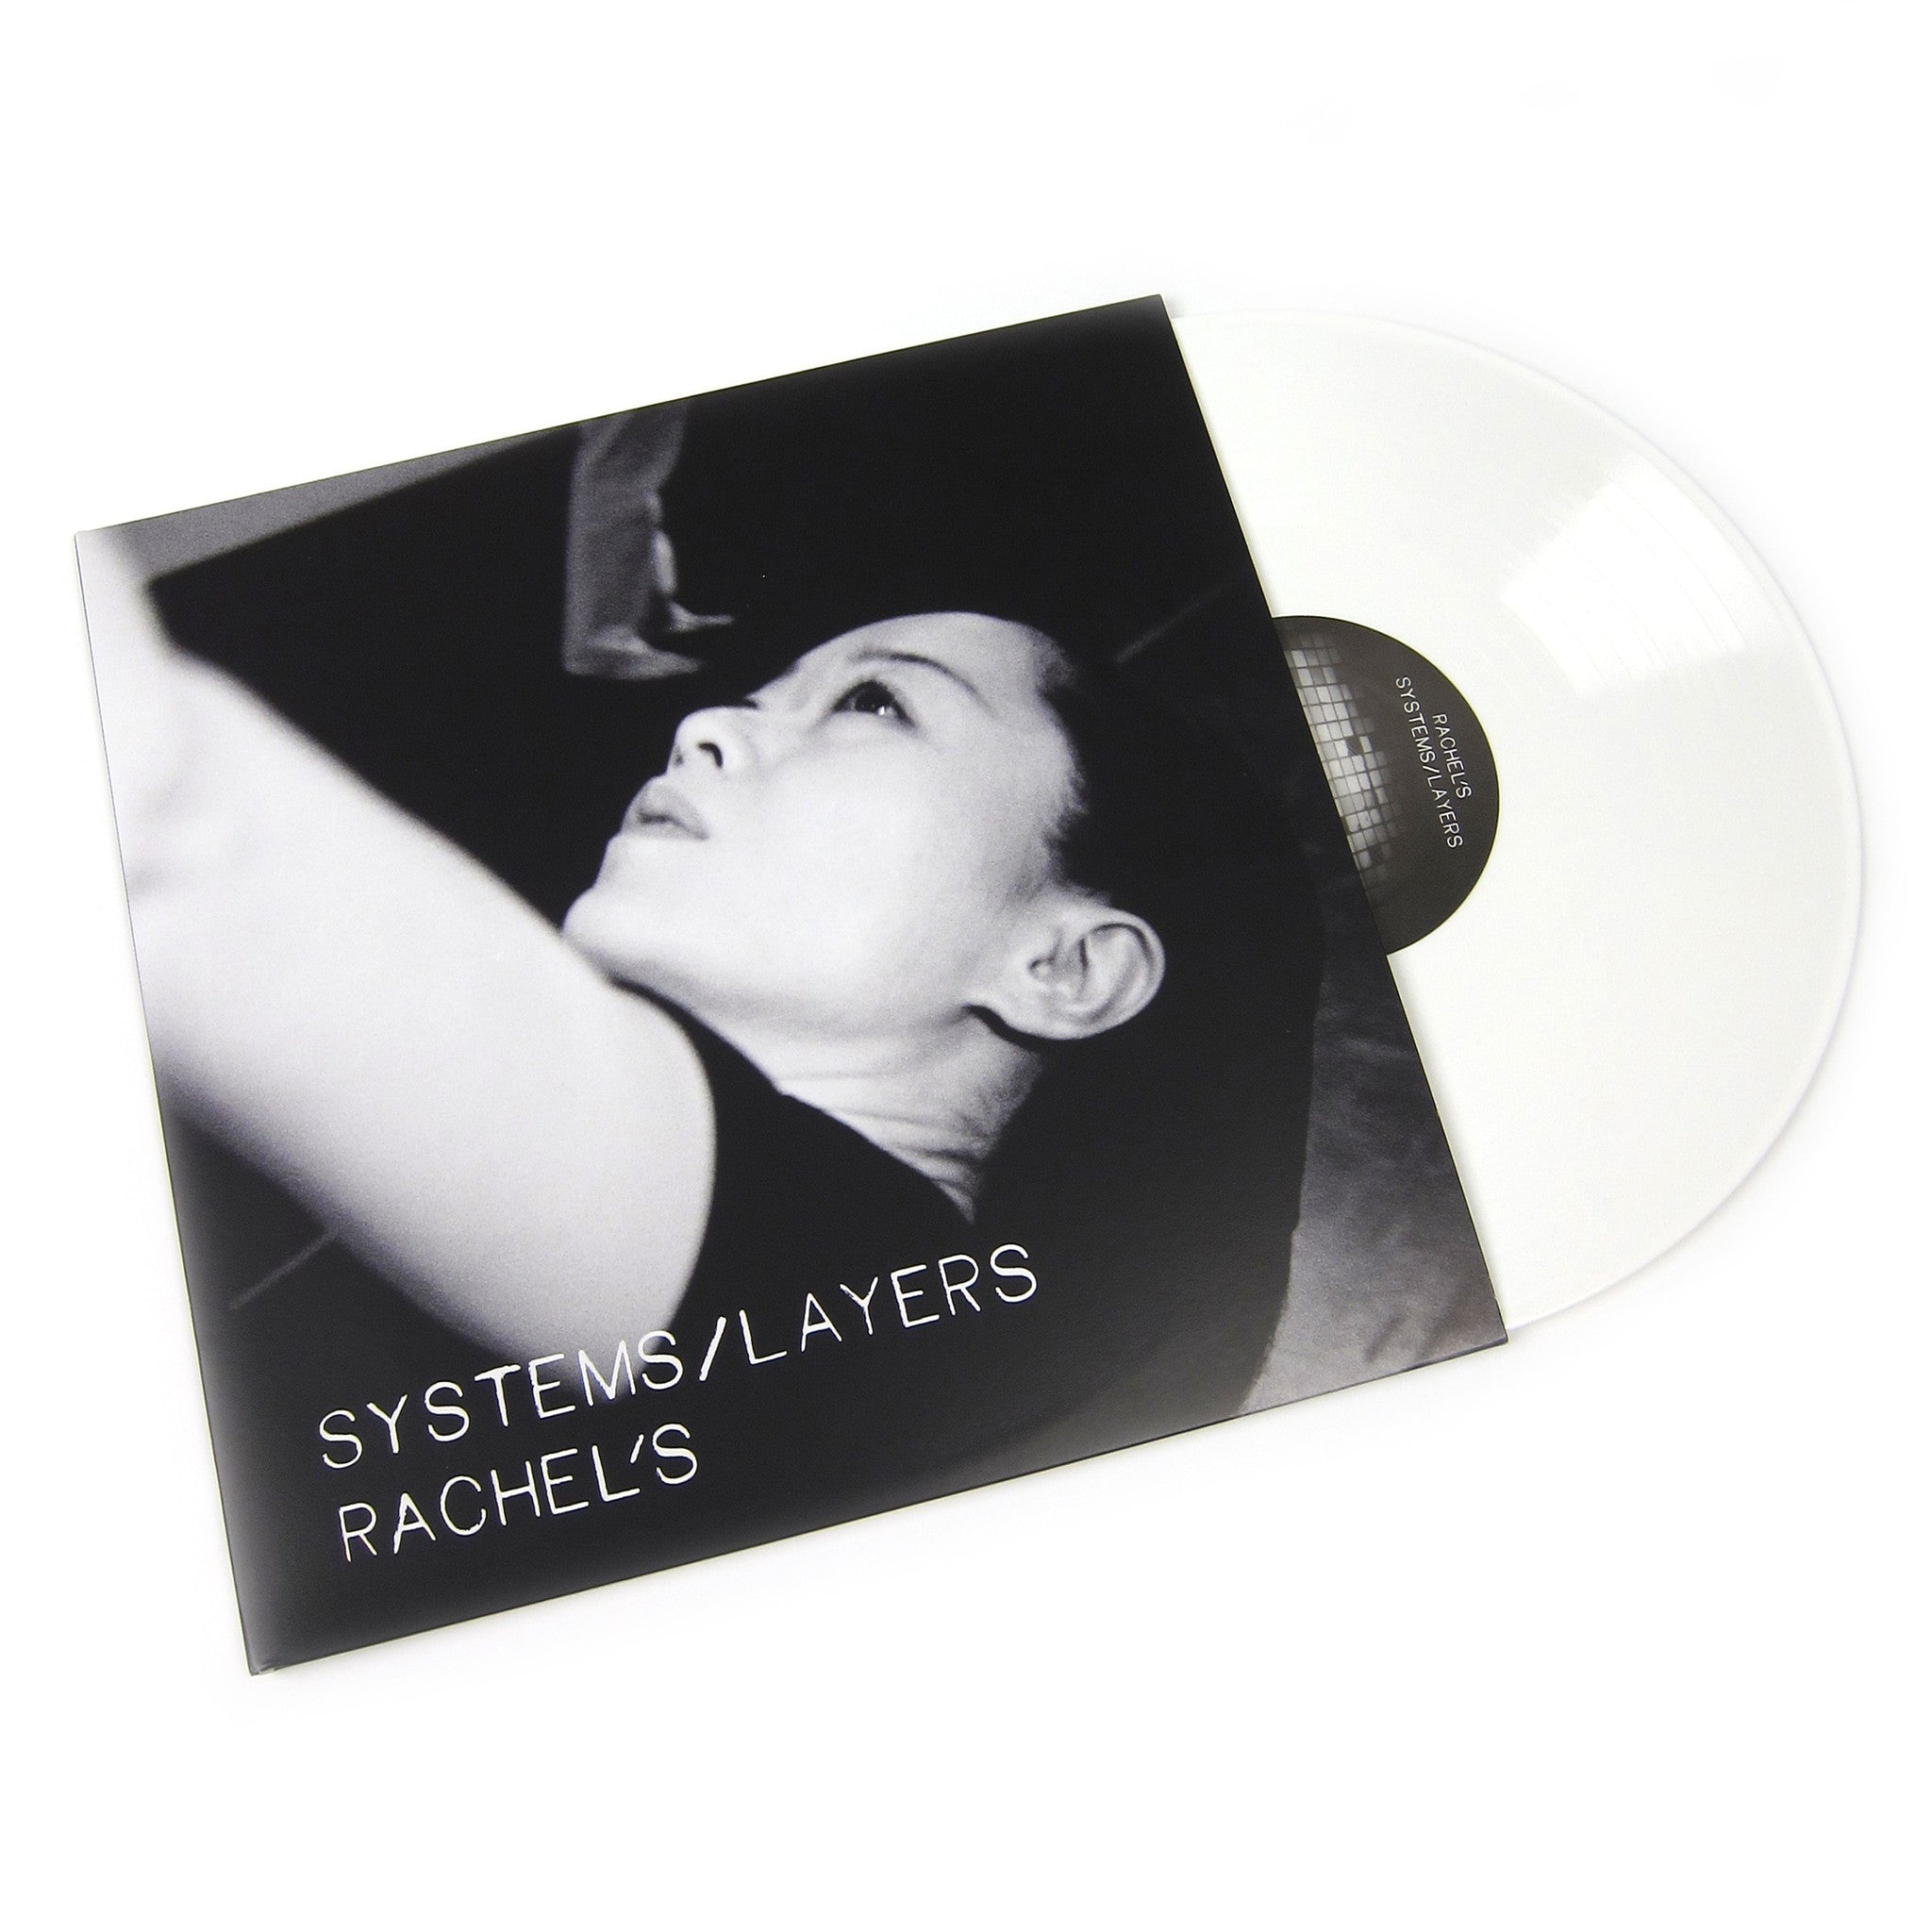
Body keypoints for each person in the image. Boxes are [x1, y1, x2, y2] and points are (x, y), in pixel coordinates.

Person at [85, 519, 1320, 1659]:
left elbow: (172, 820)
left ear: (1062, 967)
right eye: (765, 693)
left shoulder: (927, 1356)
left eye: (876, 703)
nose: (707, 723)